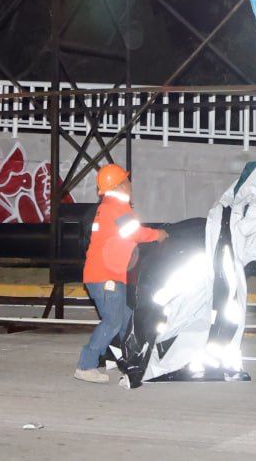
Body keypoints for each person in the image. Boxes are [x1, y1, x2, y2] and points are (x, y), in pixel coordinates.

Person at [75, 163, 168, 384]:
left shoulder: (108, 206)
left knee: (127, 320)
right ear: (119, 186)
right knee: (113, 321)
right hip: (106, 276)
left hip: (108, 275)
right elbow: (133, 233)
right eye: (126, 180)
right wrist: (159, 234)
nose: (130, 184)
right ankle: (85, 365)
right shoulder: (115, 208)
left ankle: (129, 360)